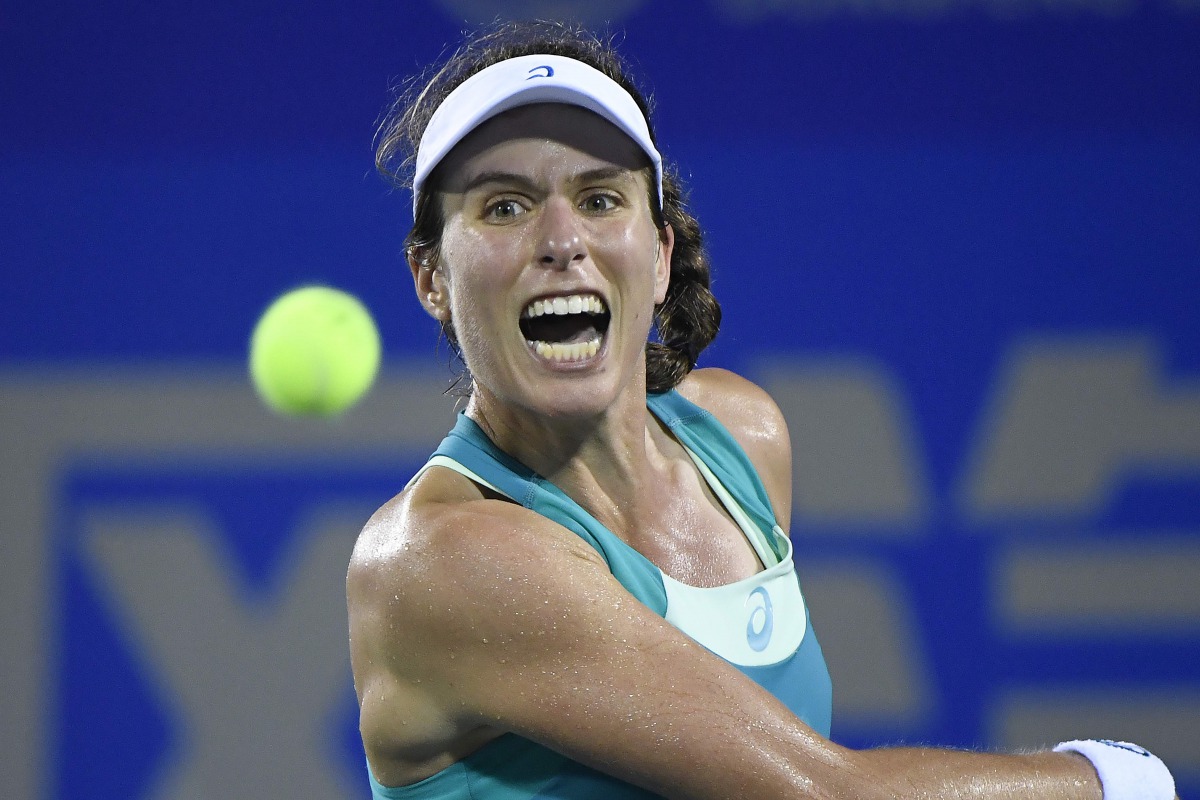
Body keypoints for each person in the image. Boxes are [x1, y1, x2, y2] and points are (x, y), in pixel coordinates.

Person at [347, 20, 1178, 800]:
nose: (563, 239)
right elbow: (819, 790)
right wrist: (1110, 777)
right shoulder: (442, 559)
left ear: (661, 255)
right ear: (431, 280)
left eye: (601, 199)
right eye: (505, 206)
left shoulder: (743, 438)